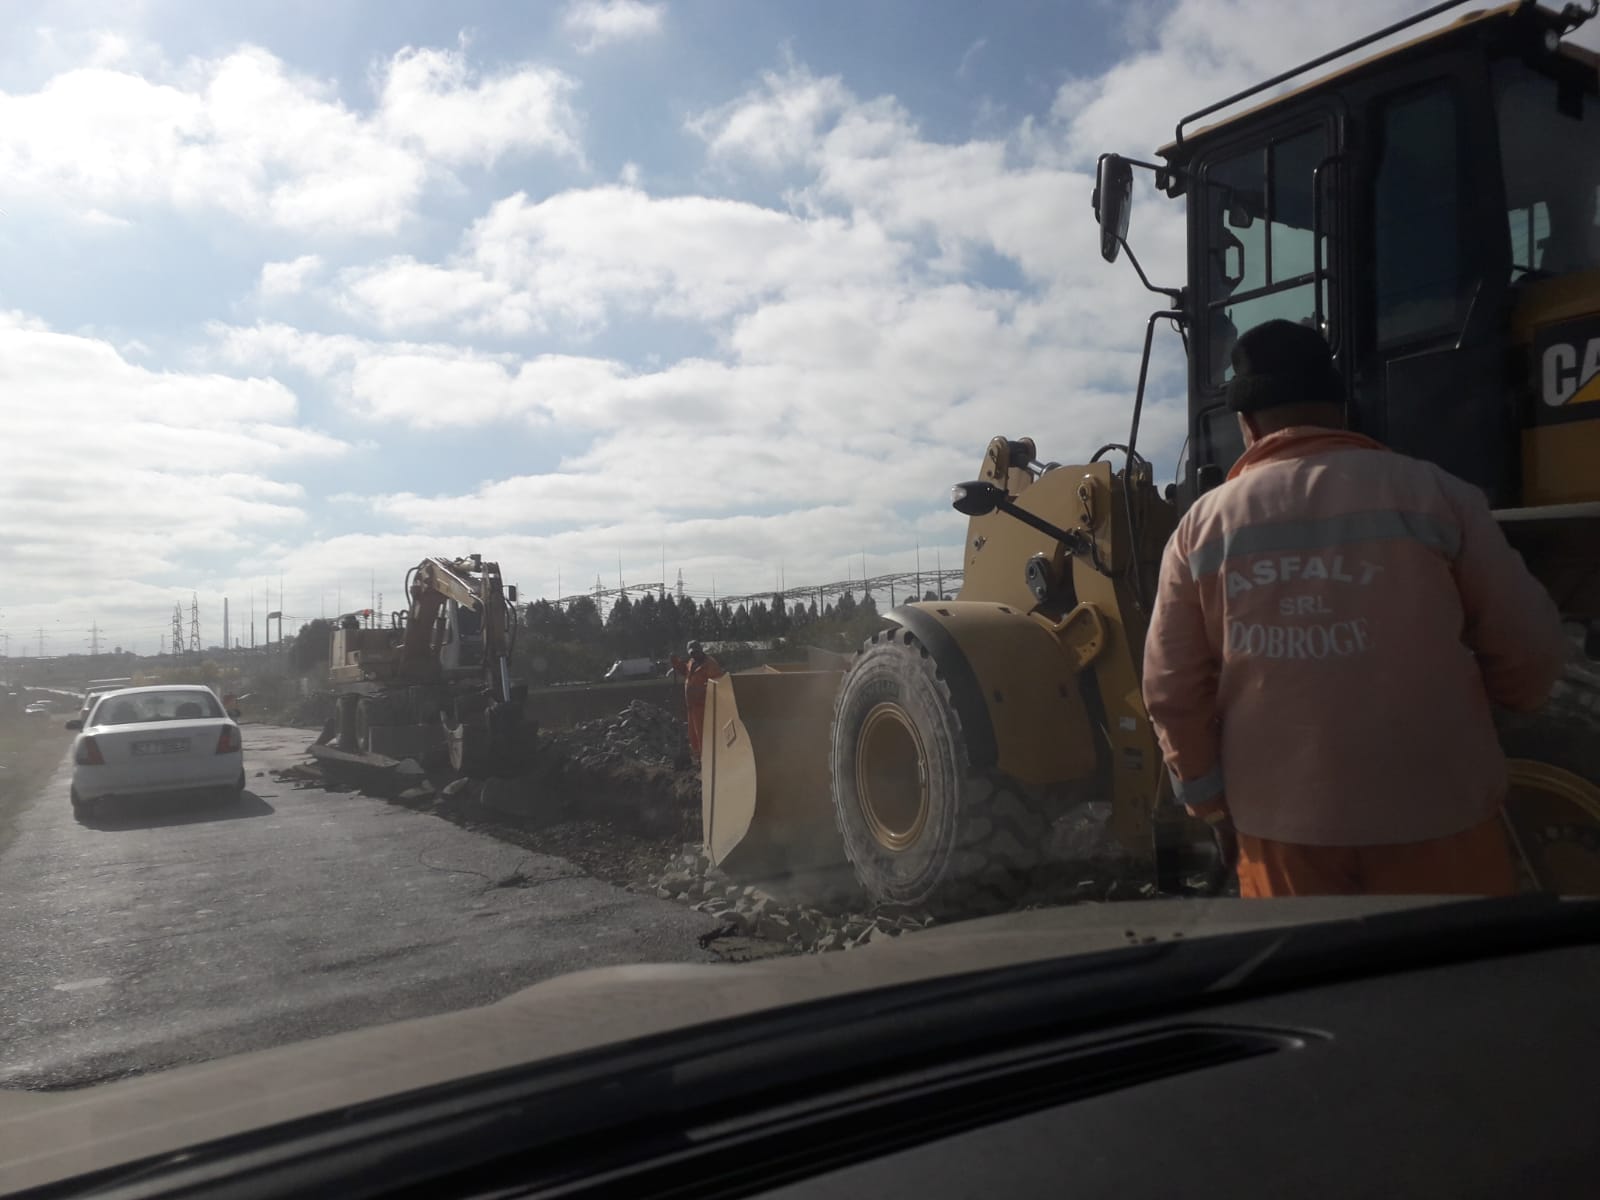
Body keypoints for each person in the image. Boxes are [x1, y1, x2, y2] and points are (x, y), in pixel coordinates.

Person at [1142, 319, 1568, 898]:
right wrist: (1498, 714)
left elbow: (1170, 689)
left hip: (1282, 832)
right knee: (1458, 958)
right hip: (1443, 813)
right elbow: (1530, 645)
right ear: (1341, 408)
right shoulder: (1439, 496)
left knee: (1309, 959)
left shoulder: (1200, 528)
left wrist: (1209, 801)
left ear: (1247, 424)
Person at [669, 641, 724, 763]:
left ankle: (708, 760)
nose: (694, 655)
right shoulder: (692, 662)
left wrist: (702, 691)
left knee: (704, 735)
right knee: (694, 735)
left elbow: (718, 683)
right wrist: (676, 663)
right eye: (692, 653)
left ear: (701, 650)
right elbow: (685, 671)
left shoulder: (710, 664)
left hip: (705, 706)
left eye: (696, 652)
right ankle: (699, 758)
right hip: (692, 706)